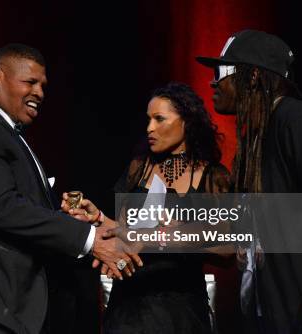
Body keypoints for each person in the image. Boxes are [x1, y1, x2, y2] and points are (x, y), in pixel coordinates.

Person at [0, 43, 141, 334]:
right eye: (30, 82)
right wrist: (90, 239)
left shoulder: (8, 133)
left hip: (9, 306)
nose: (39, 92)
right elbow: (2, 207)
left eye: (43, 85)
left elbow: (26, 213)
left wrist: (77, 223)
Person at [196, 29, 302, 333]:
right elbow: (231, 241)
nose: (213, 82)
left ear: (253, 76)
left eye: (221, 72)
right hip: (276, 317)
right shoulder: (256, 142)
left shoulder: (296, 120)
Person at [63, 82, 231, 334]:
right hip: (131, 307)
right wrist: (98, 218)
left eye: (159, 119)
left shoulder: (212, 177)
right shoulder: (138, 168)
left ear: (187, 122)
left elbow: (227, 248)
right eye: (148, 119)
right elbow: (126, 232)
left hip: (181, 308)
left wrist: (174, 234)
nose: (149, 128)